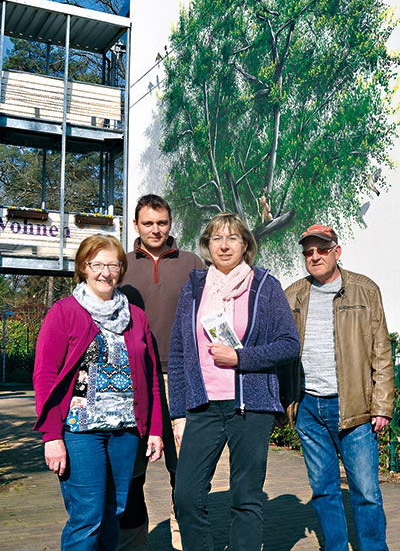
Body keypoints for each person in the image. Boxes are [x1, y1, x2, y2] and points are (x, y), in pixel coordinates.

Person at [168, 212, 300, 551]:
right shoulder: (194, 287)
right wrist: (178, 412)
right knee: (186, 495)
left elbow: (289, 344)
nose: (224, 245)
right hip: (204, 407)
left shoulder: (264, 285)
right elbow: (181, 351)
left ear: (246, 245)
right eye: (216, 238)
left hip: (250, 408)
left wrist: (240, 358)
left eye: (232, 238)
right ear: (207, 246)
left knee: (246, 498)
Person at [33, 234, 164, 550]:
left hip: (126, 432)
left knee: (113, 513)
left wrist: (155, 431)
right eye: (97, 264)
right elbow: (45, 376)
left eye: (113, 264)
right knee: (87, 518)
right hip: (80, 432)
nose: (105, 272)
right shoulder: (65, 312)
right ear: (83, 268)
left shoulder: (136, 316)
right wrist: (51, 437)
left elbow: (151, 379)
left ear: (121, 268)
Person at [283, 224, 394, 551]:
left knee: (366, 493)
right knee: (323, 490)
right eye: (308, 252)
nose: (314, 256)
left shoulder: (364, 290)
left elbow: (381, 350)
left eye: (321, 249)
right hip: (308, 409)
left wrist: (382, 405)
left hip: (355, 409)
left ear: (336, 252)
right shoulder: (293, 295)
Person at [117, 194, 205, 551]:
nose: (155, 229)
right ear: (136, 225)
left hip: (182, 380)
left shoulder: (192, 263)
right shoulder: (120, 265)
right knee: (130, 474)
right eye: (148, 223)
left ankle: (185, 543)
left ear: (171, 224)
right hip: (132, 383)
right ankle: (132, 545)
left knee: (184, 474)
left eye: (162, 223)